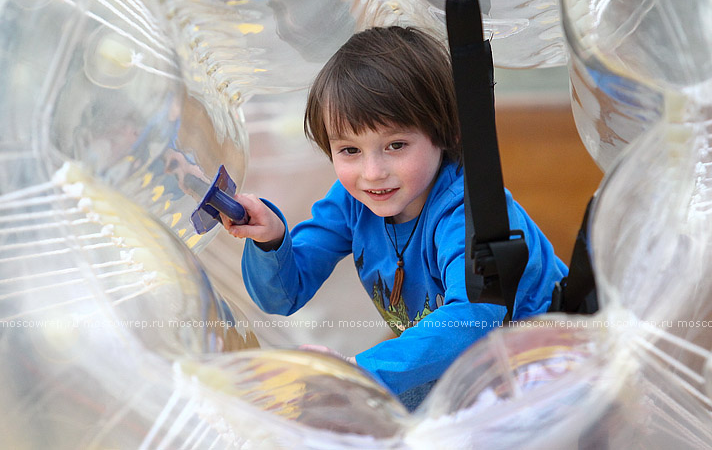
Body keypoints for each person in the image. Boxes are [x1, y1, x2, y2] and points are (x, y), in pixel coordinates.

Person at [222, 25, 568, 410]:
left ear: (446, 133)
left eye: (396, 145)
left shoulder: (471, 213)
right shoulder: (354, 200)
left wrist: (360, 371)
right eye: (350, 150)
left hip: (544, 365)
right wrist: (270, 240)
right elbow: (285, 294)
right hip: (465, 371)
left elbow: (472, 316)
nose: (373, 172)